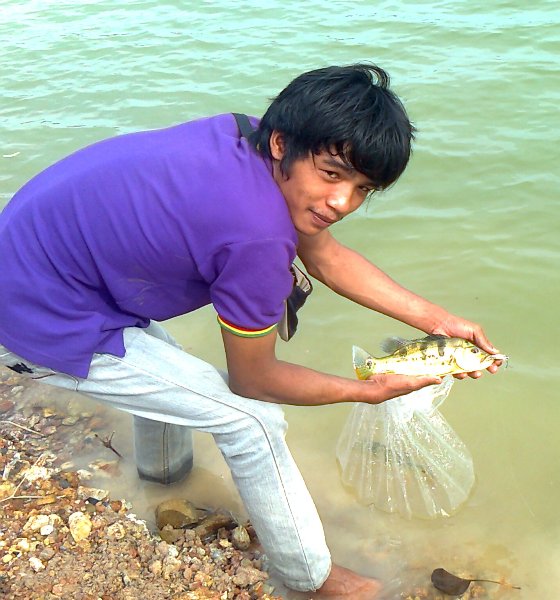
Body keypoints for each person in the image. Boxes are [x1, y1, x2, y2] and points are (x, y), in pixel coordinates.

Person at [0, 64, 501, 598]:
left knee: (168, 369)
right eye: (333, 175)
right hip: (38, 316)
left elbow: (326, 257)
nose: (342, 203)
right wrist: (366, 391)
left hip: (35, 268)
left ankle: (164, 480)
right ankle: (311, 578)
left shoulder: (247, 137)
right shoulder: (256, 238)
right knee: (253, 422)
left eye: (363, 188)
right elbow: (254, 382)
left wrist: (439, 323)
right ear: (285, 142)